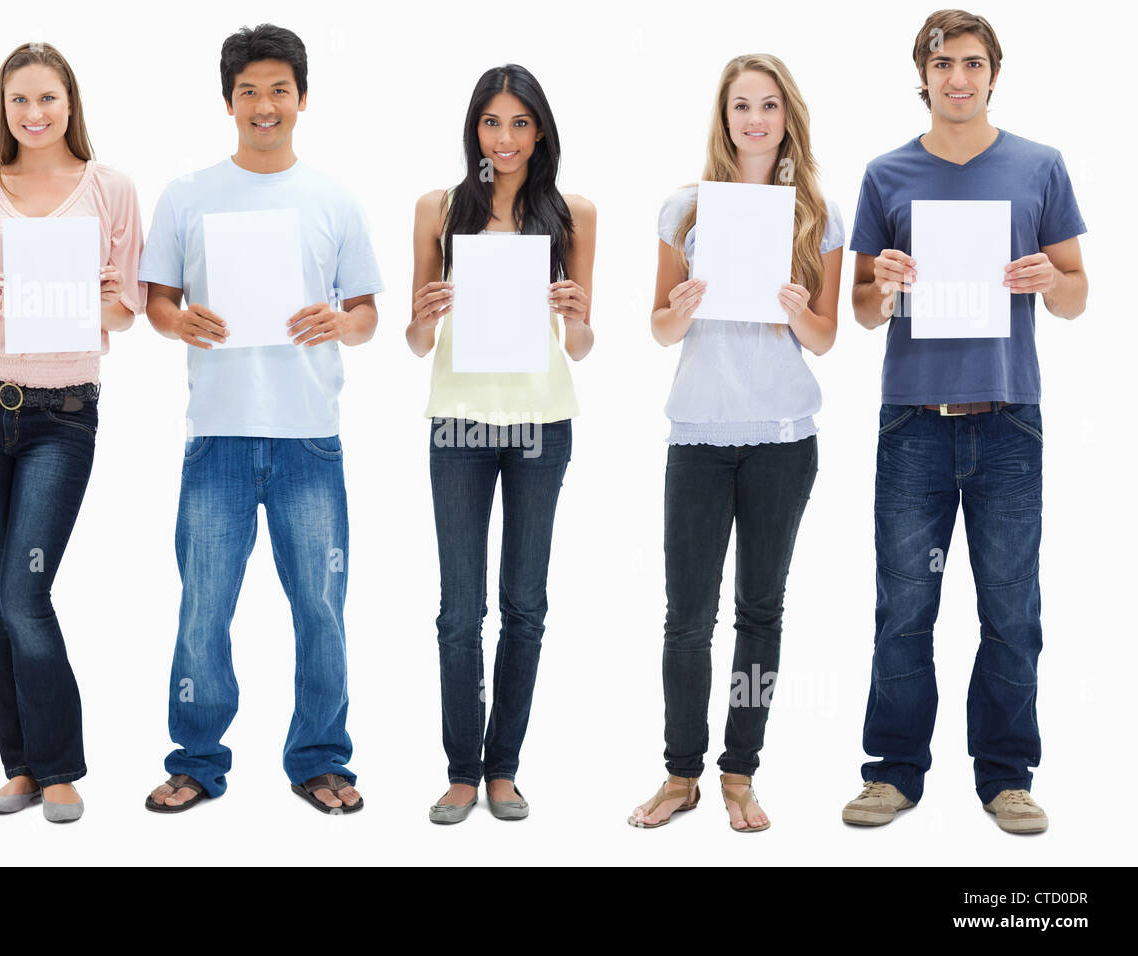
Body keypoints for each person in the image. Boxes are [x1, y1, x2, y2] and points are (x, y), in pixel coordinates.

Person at [842, 9, 1087, 834]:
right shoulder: (885, 174)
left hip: (1009, 420)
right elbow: (865, 312)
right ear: (923, 72)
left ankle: (1007, 776)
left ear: (993, 73)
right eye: (942, 63)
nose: (958, 77)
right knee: (903, 606)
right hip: (912, 421)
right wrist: (885, 280)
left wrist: (1047, 277)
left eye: (972, 63)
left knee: (1012, 608)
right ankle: (893, 774)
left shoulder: (1039, 166)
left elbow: (1079, 295)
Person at [140, 24, 382, 816]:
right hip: (216, 433)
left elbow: (369, 313)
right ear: (228, 101)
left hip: (309, 435)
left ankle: (319, 758)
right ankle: (196, 760)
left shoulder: (332, 198)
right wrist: (177, 323)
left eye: (280, 89)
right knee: (203, 606)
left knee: (322, 608)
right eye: (249, 90)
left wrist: (339, 321)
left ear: (302, 99)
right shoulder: (187, 195)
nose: (265, 104)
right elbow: (158, 301)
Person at [0, 41, 144, 823]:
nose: (35, 113)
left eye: (48, 98)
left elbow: (125, 314)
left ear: (71, 103)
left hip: (62, 415)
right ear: (3, 108)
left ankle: (58, 769)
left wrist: (108, 295)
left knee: (25, 590)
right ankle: (21, 768)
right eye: (20, 100)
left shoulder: (109, 189)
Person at [627, 54, 842, 832]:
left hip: (782, 437)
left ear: (789, 117)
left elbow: (824, 339)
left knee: (760, 611)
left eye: (769, 106)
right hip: (700, 435)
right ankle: (680, 772)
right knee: (686, 616)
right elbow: (656, 329)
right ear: (723, 118)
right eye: (741, 105)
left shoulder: (815, 213)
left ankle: (739, 773)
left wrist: (793, 310)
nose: (755, 119)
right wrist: (680, 308)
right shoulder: (684, 210)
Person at [407, 64, 595, 824]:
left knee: (525, 604)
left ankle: (504, 768)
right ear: (474, 130)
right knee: (460, 608)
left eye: (520, 123)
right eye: (492, 122)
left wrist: (576, 313)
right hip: (458, 421)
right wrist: (426, 312)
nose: (506, 138)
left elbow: (580, 346)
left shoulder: (571, 213)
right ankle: (460, 769)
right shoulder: (439, 208)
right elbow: (417, 343)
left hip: (541, 423)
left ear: (540, 130)